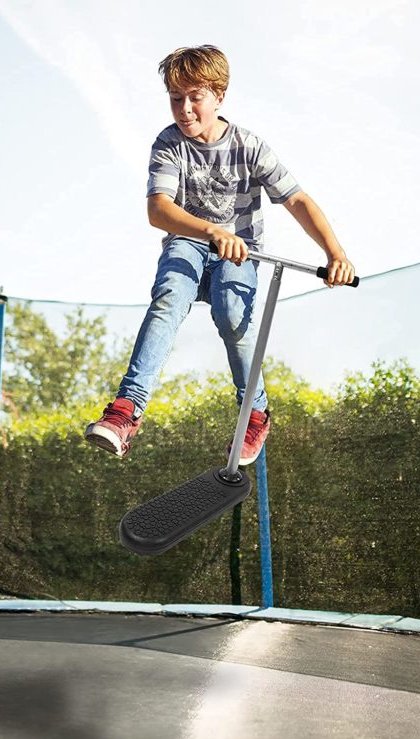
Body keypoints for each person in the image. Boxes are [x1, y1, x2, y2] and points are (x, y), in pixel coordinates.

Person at [84, 45, 355, 462]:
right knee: (169, 297)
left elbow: (297, 200)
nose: (185, 109)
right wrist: (211, 230)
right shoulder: (170, 143)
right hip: (189, 242)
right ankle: (126, 411)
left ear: (219, 96)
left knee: (232, 313)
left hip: (240, 254)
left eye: (195, 97)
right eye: (176, 99)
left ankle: (255, 414)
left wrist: (335, 253)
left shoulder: (249, 146)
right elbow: (159, 209)